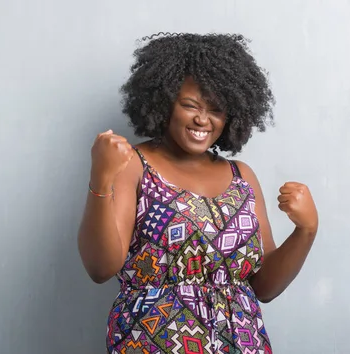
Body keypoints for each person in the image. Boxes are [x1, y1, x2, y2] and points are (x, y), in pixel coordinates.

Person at [77, 32, 318, 354]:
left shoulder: (241, 176)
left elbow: (265, 287)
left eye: (216, 110)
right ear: (164, 104)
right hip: (154, 341)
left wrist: (306, 231)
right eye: (190, 105)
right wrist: (101, 178)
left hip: (242, 341)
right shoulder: (134, 165)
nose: (202, 119)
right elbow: (100, 268)